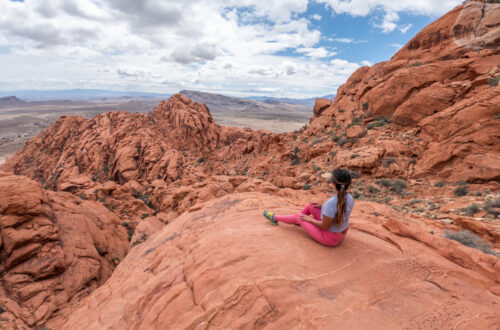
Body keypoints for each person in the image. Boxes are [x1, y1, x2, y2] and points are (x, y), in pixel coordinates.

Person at [263, 168, 354, 247]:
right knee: (311, 205)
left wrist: (309, 219)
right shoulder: (349, 197)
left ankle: (275, 218)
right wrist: (322, 206)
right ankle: (296, 221)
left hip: (330, 237)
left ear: (333, 183)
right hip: (341, 232)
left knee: (299, 216)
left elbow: (325, 226)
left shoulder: (331, 203)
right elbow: (338, 210)